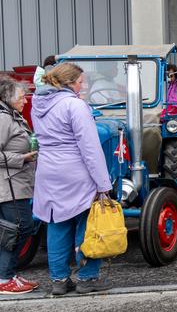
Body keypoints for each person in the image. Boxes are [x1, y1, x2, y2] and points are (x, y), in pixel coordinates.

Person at [31, 63, 113, 295]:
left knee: (56, 223)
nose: (83, 85)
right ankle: (87, 278)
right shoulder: (75, 105)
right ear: (69, 83)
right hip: (75, 171)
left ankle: (59, 280)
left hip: (48, 170)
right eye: (80, 81)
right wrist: (104, 185)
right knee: (87, 224)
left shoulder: (38, 104)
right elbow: (90, 149)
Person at [0, 78, 39, 294]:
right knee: (18, 229)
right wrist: (21, 158)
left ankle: (9, 274)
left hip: (16, 184)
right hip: (9, 186)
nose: (25, 100)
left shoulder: (11, 116)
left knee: (14, 230)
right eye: (21, 97)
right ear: (8, 99)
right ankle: (4, 278)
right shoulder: (3, 119)